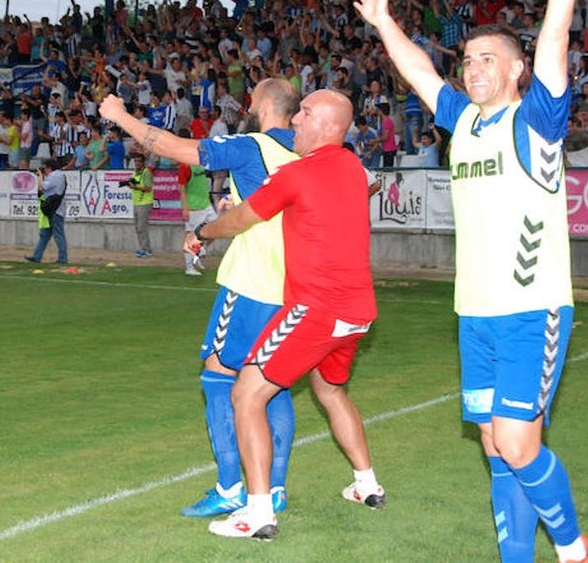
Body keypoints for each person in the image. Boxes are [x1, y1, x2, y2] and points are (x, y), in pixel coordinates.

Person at [353, 0, 588, 563]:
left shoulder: (535, 118)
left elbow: (553, 36)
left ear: (517, 72)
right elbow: (418, 73)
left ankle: (575, 549)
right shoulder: (463, 122)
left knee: (519, 442)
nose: (474, 67)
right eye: (469, 59)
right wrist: (383, 26)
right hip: (476, 313)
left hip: (532, 308)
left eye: (490, 59)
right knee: (495, 444)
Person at [185, 90, 384, 541]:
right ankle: (366, 484)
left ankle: (257, 512)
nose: (295, 120)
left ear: (330, 126)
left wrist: (202, 231)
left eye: (306, 114)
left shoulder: (297, 173)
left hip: (317, 308)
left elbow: (240, 220)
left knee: (246, 393)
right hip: (358, 310)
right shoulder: (352, 166)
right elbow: (364, 187)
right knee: (330, 390)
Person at [99, 78, 300, 519]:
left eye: (252, 101)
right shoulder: (308, 149)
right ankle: (276, 487)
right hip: (296, 288)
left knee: (219, 377)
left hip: (251, 283)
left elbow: (174, 147)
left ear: (264, 105)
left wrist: (119, 116)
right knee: (273, 381)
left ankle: (230, 485)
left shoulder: (252, 145)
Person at [177, 142, 216, 276]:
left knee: (215, 229)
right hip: (194, 207)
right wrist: (185, 208)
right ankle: (189, 267)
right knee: (191, 237)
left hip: (205, 204)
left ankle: (200, 251)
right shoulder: (185, 166)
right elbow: (181, 188)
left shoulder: (201, 164)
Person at [24, 158, 68, 264]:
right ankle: (37, 256)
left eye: (45, 168)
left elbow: (42, 186)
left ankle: (62, 258)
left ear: (49, 167)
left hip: (55, 209)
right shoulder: (59, 175)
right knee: (45, 234)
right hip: (53, 208)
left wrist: (39, 176)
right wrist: (42, 176)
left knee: (58, 235)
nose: (44, 170)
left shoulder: (55, 176)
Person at [125, 151, 154, 257]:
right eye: (135, 161)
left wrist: (135, 187)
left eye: (138, 161)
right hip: (137, 202)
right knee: (138, 227)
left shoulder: (146, 173)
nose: (137, 163)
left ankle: (147, 249)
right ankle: (143, 248)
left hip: (145, 202)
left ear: (143, 162)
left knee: (142, 227)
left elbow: (148, 188)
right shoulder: (135, 173)